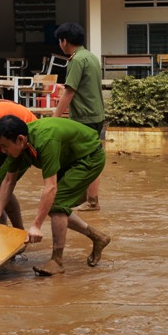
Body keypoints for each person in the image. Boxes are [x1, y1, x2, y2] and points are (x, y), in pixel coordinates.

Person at [0, 115, 111, 276]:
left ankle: (57, 261)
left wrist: (36, 225)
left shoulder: (46, 140)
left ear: (20, 139)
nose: (3, 151)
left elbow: (50, 187)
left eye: (4, 146)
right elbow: (9, 180)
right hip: (68, 159)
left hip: (88, 157)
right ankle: (98, 237)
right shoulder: (22, 147)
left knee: (56, 204)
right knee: (59, 205)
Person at [52, 22, 106, 212]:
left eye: (60, 41)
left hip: (84, 117)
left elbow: (70, 93)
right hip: (96, 114)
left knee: (87, 158)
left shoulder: (76, 60)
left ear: (64, 41)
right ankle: (85, 198)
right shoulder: (90, 57)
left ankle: (91, 201)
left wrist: (54, 118)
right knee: (88, 156)